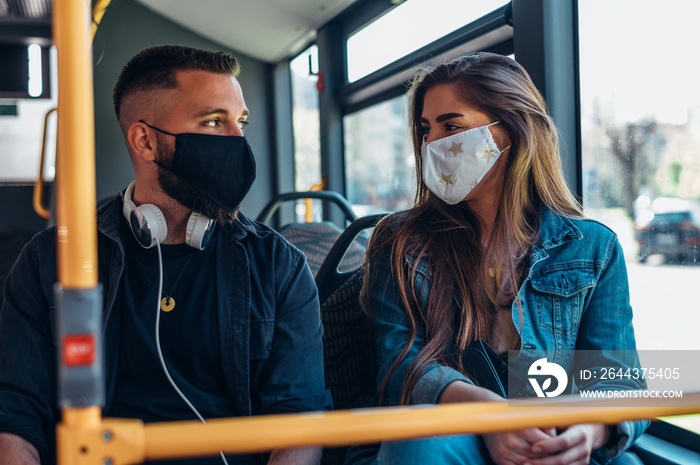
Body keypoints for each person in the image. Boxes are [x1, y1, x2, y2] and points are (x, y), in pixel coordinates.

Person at [0, 45, 331, 465]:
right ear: (145, 140)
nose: (238, 141)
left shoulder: (278, 267)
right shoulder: (49, 262)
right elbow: (16, 416)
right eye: (213, 121)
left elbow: (298, 420)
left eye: (240, 122)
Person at [346, 53, 647, 465]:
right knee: (420, 445)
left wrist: (587, 432)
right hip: (449, 432)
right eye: (425, 129)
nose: (432, 144)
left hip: (546, 438)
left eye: (451, 126)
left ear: (510, 132)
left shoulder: (593, 248)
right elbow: (401, 365)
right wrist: (489, 416)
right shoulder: (399, 242)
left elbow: (620, 383)